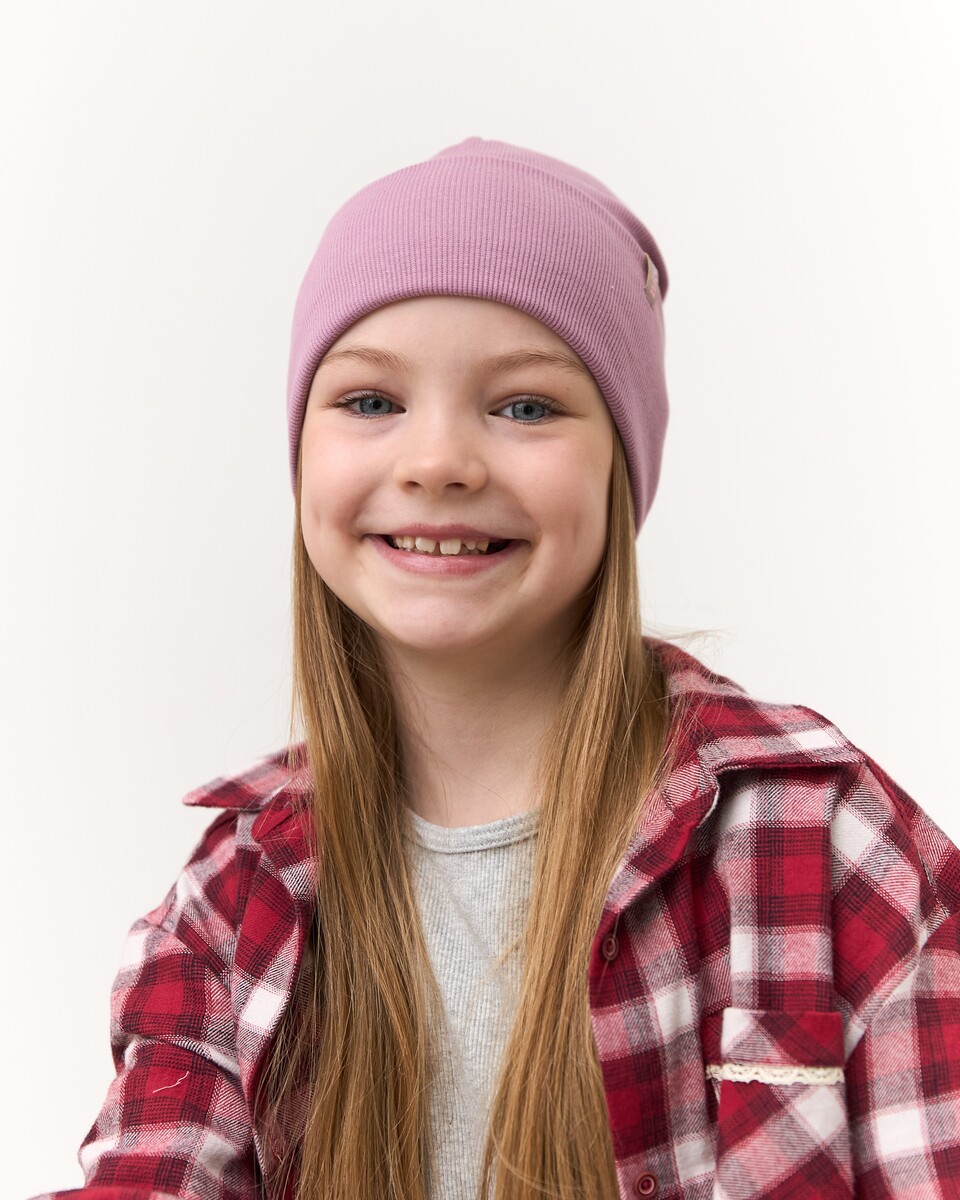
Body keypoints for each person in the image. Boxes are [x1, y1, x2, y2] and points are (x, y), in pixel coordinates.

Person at [33, 138, 960, 1200]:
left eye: (525, 406)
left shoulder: (819, 842)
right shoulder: (233, 900)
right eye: (370, 401)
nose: (437, 462)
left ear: (618, 466)